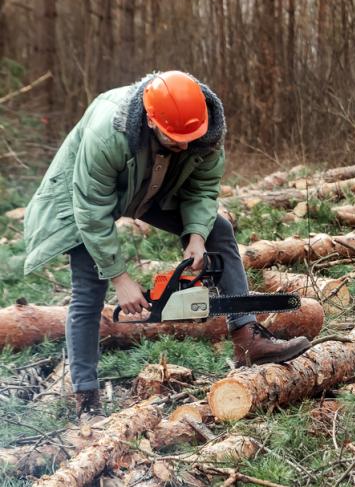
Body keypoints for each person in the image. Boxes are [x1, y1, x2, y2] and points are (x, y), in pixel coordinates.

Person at [23, 71, 310, 415]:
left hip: (154, 185)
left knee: (218, 231)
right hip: (86, 196)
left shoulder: (205, 131)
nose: (186, 146)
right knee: (89, 285)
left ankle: (247, 338)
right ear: (150, 120)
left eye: (192, 139)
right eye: (176, 140)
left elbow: (203, 190)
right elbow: (91, 211)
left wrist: (196, 236)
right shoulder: (108, 133)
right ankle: (86, 399)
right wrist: (120, 278)